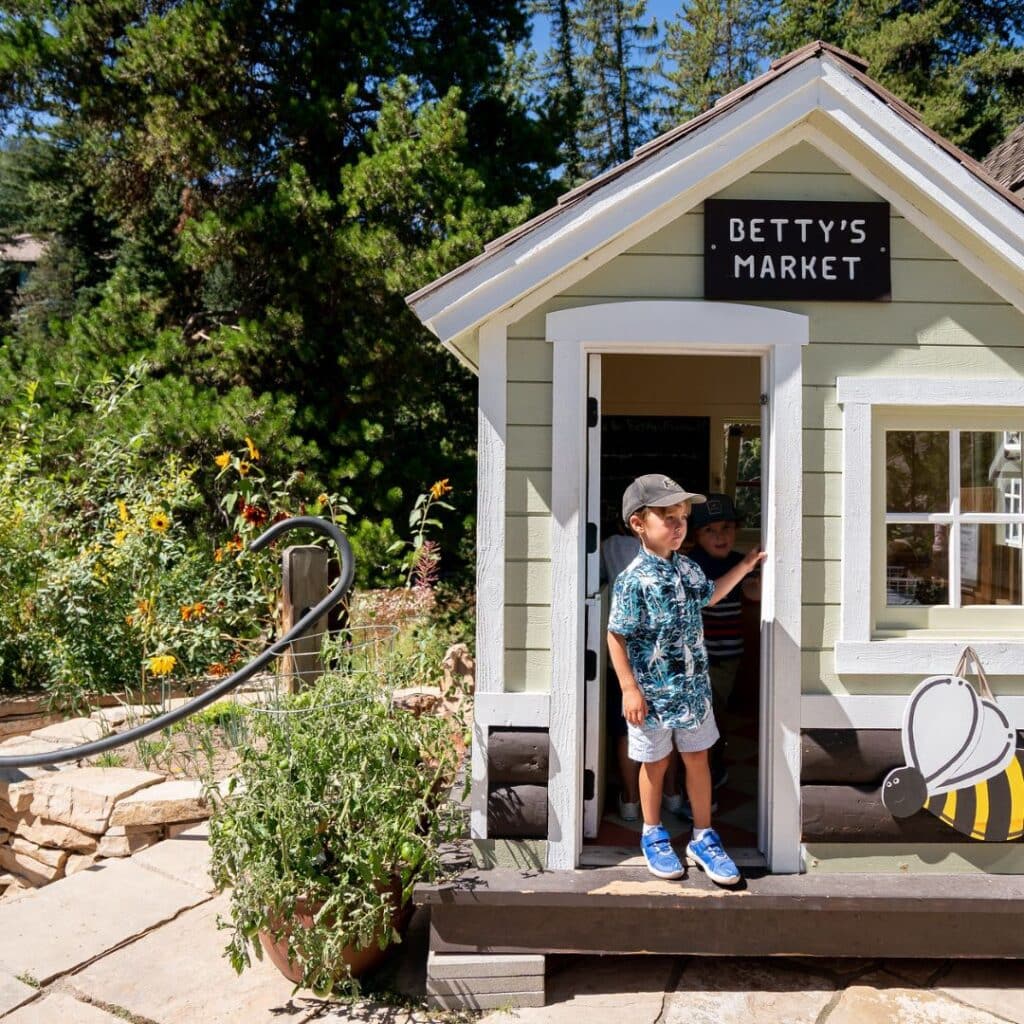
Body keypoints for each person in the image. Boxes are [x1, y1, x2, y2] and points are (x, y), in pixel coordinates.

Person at [607, 474, 765, 884]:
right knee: (655, 764)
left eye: (681, 517)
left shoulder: (687, 567)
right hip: (652, 698)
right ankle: (653, 833)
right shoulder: (632, 580)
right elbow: (616, 634)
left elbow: (710, 594)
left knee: (698, 761)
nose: (678, 525)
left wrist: (746, 565)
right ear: (639, 523)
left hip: (694, 693)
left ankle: (702, 835)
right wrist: (628, 688)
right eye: (667, 516)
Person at [688, 493, 761, 789]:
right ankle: (705, 772)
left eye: (726, 528)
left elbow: (753, 594)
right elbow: (706, 599)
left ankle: (713, 768)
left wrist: (760, 577)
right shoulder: (692, 565)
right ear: (696, 535)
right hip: (696, 658)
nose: (720, 536)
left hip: (726, 658)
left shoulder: (737, 562)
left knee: (715, 716)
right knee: (702, 718)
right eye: (710, 530)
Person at [600, 523, 642, 819]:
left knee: (625, 729)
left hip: (621, 652)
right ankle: (673, 795)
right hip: (658, 656)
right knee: (664, 729)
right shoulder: (667, 550)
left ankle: (629, 799)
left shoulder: (611, 545)